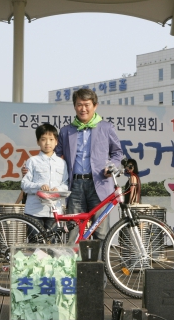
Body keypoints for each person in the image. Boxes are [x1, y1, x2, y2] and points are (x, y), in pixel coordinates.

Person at [55, 89, 123, 242]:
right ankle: (72, 264)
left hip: (100, 183)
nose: (83, 109)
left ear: (95, 106)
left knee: (101, 229)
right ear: (74, 107)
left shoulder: (106, 127)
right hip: (75, 185)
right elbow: (55, 157)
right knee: (73, 230)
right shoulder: (66, 131)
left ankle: (99, 265)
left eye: (87, 105)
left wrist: (111, 166)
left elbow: (117, 153)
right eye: (79, 105)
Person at [21, 123, 69, 230]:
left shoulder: (62, 163)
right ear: (38, 141)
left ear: (56, 142)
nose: (47, 143)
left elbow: (65, 184)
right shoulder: (32, 161)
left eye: (51, 139)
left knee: (51, 245)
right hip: (34, 211)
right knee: (35, 244)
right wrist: (39, 186)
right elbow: (24, 184)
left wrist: (59, 189)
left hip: (54, 211)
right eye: (43, 139)